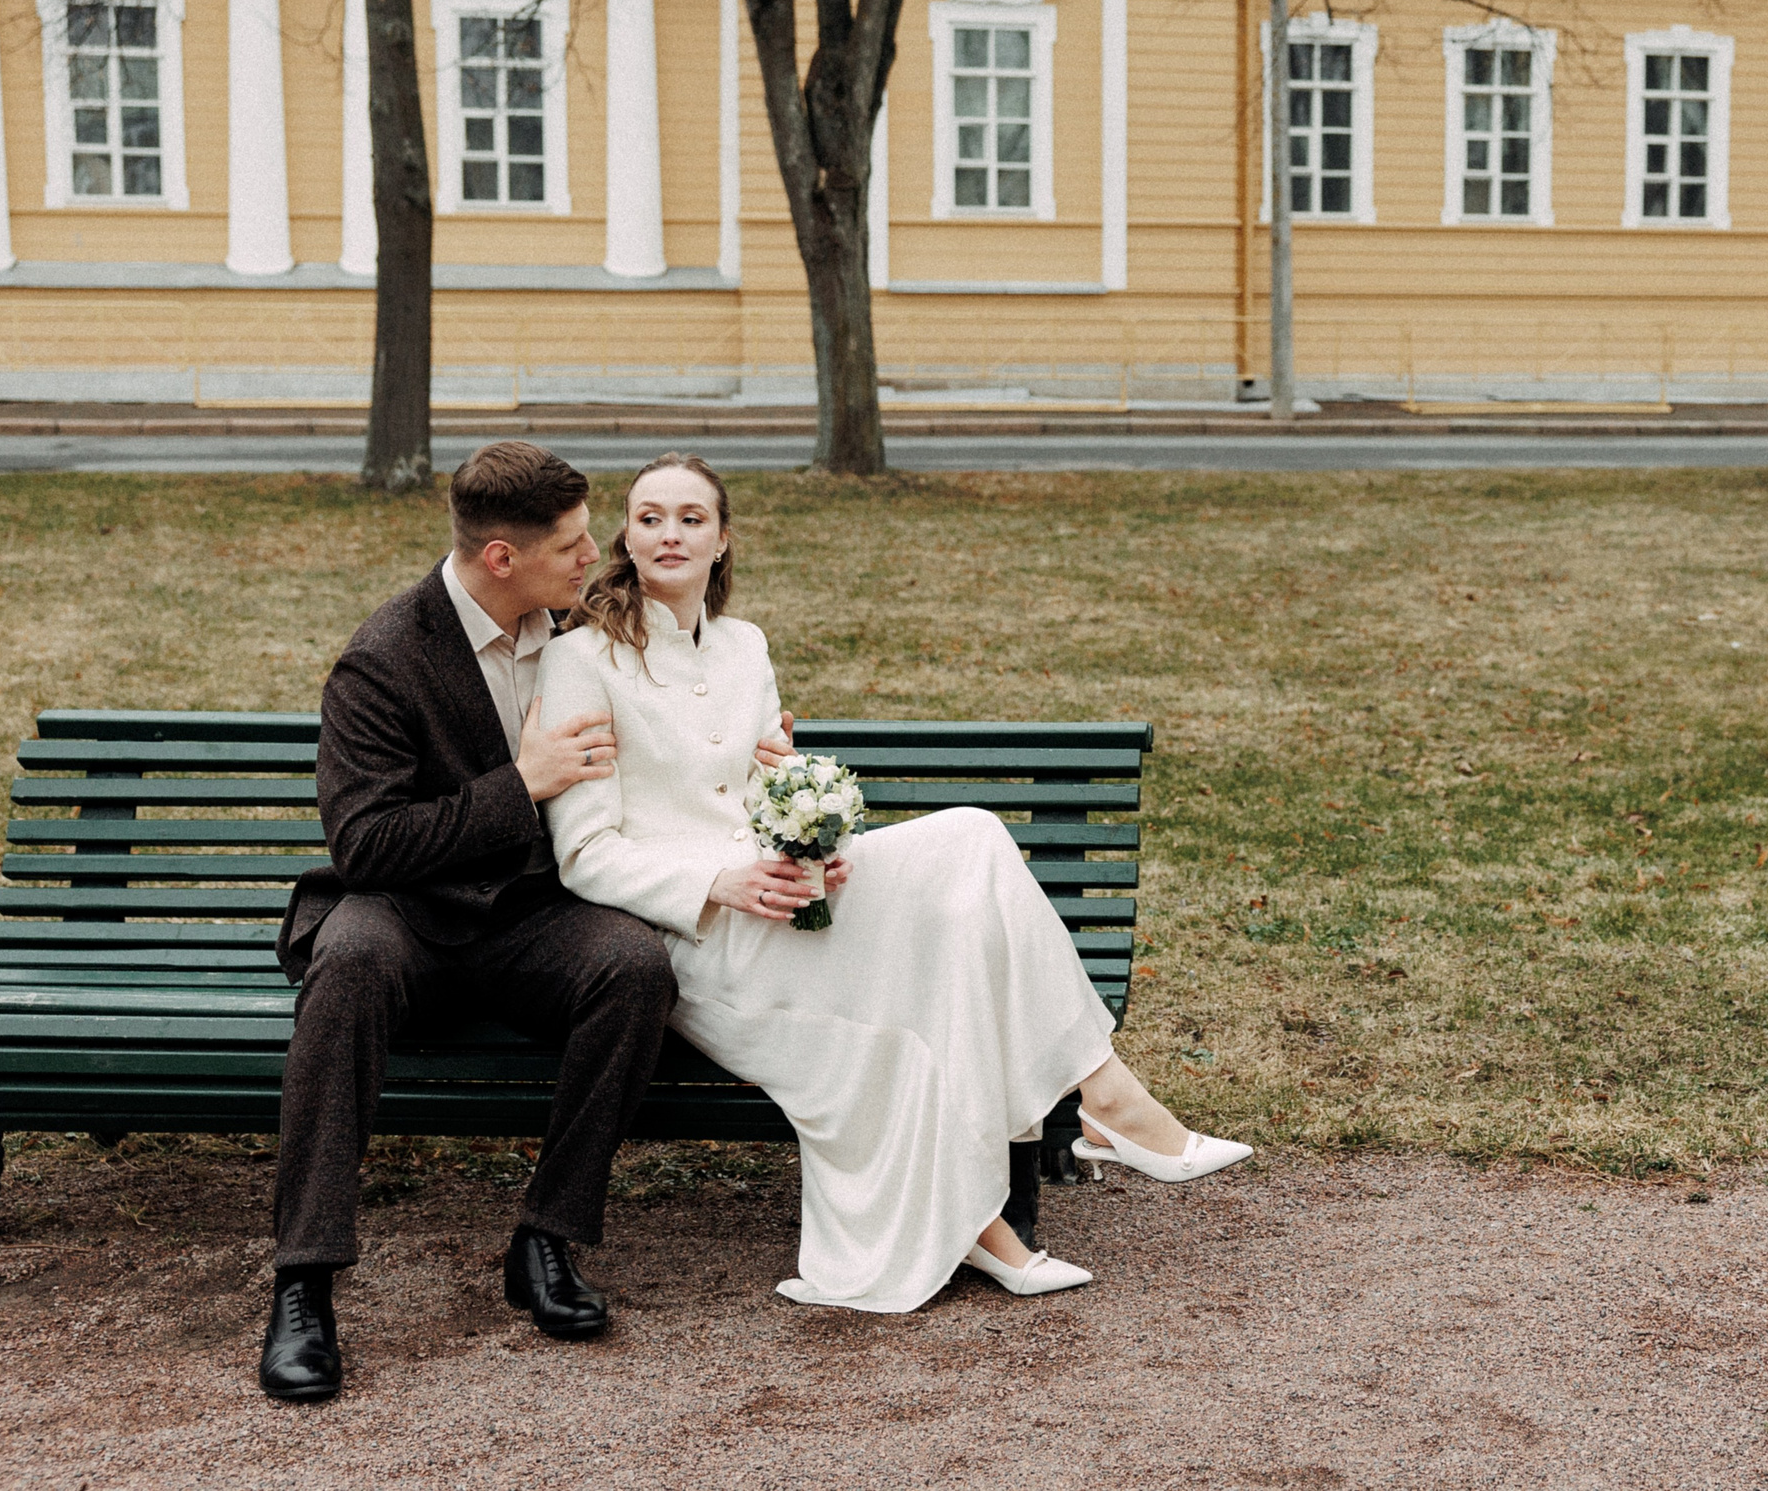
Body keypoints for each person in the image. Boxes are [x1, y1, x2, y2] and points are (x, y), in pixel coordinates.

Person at [535, 453, 1251, 1313]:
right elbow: (584, 852)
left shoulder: (743, 645)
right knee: (959, 883)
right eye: (650, 517)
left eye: (692, 517)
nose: (669, 533)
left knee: (967, 876)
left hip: (791, 902)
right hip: (700, 939)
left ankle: (1031, 1169)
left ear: (724, 540)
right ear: (626, 534)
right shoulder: (584, 659)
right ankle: (1096, 1103)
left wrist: (815, 837)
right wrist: (722, 880)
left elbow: (765, 787)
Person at [260, 443, 793, 1402]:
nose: (597, 556)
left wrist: (756, 753)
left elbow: (684, 703)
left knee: (633, 970)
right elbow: (367, 847)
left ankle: (547, 1238)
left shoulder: (582, 628)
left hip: (534, 915)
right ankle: (304, 1283)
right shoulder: (385, 658)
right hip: (407, 910)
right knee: (344, 974)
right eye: (573, 544)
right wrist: (523, 786)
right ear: (502, 558)